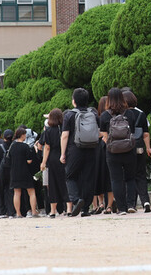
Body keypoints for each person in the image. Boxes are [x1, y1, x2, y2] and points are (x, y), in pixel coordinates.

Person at [100, 87, 146, 215]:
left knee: (116, 179)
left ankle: (121, 208)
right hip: (129, 150)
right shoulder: (129, 114)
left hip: (112, 152)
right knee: (130, 178)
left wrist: (111, 144)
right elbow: (131, 131)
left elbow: (104, 136)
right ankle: (131, 204)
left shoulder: (104, 115)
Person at [61, 88, 99, 217]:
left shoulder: (69, 115)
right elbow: (98, 132)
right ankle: (86, 209)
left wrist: (62, 153)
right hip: (91, 149)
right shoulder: (93, 113)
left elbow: (65, 136)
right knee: (88, 178)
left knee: (70, 176)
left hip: (75, 149)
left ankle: (77, 200)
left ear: (74, 101)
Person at [122, 89, 151, 212]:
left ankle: (131, 204)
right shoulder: (141, 113)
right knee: (141, 174)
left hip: (125, 147)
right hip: (139, 146)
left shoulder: (122, 114)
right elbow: (146, 134)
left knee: (129, 176)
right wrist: (148, 148)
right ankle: (146, 201)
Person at [39, 108, 68, 217]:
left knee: (53, 184)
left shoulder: (48, 131)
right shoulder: (64, 129)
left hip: (52, 158)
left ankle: (53, 210)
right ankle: (69, 209)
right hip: (64, 157)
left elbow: (47, 148)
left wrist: (43, 162)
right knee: (65, 183)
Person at [7, 127, 38, 218]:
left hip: (14, 172)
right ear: (23, 135)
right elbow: (29, 161)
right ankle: (33, 211)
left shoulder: (12, 146)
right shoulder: (25, 146)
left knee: (17, 192)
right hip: (25, 171)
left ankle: (18, 213)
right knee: (31, 192)